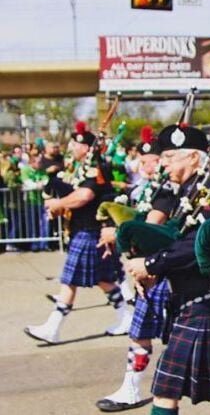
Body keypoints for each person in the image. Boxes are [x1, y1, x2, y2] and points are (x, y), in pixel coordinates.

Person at [126, 124, 210, 415]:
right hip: (194, 299)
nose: (165, 162)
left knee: (165, 387)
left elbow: (196, 244)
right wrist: (153, 270)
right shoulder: (184, 193)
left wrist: (151, 264)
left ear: (194, 159)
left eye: (172, 156)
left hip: (204, 300)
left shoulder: (206, 194)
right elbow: (173, 239)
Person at [24, 123, 132, 344]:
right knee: (104, 280)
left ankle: (52, 328)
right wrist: (61, 207)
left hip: (90, 231)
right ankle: (126, 317)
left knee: (69, 281)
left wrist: (58, 203)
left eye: (76, 143)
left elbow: (85, 195)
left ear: (86, 146)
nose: (71, 146)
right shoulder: (79, 167)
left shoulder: (95, 166)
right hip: (84, 230)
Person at [95, 129, 175, 412]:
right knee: (140, 332)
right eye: (144, 161)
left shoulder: (168, 191)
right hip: (148, 271)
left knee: (193, 346)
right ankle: (130, 387)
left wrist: (118, 234)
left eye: (154, 159)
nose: (147, 165)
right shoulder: (145, 189)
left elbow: (151, 226)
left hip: (167, 272)